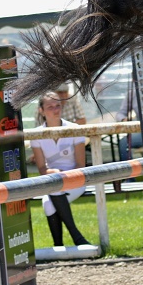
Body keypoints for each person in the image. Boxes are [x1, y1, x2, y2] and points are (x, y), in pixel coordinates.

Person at [29, 92, 91, 246]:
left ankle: (68, 242)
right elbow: (42, 169)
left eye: (58, 105)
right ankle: (70, 242)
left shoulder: (74, 128)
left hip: (76, 179)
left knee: (51, 197)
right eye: (50, 107)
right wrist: (55, 174)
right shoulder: (36, 134)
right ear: (41, 111)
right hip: (53, 180)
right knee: (49, 202)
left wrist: (62, 177)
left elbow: (80, 165)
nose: (55, 110)